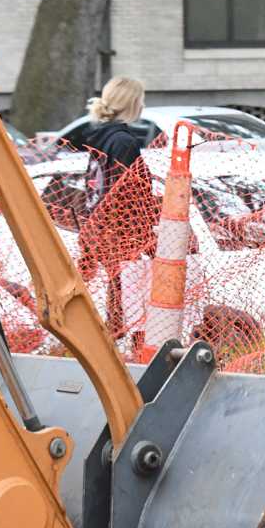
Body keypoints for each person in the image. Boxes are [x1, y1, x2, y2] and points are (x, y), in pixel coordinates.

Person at [74, 76, 159, 345]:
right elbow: (127, 193)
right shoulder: (123, 142)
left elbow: (97, 188)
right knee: (130, 311)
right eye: (141, 98)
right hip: (124, 239)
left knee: (117, 306)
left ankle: (115, 345)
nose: (143, 105)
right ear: (133, 102)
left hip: (103, 234)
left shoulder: (101, 139)